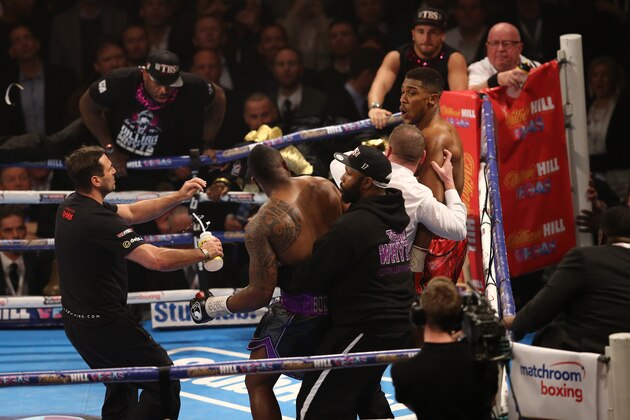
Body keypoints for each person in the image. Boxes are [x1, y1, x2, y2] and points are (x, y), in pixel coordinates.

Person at [55, 145, 224, 419]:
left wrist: (178, 196)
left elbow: (132, 212)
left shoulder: (71, 205)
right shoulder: (97, 220)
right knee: (163, 377)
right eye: (108, 168)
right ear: (95, 180)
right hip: (105, 324)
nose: (114, 170)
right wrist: (204, 253)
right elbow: (154, 259)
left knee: (120, 382)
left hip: (77, 323)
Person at [189, 144, 343, 420]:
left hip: (302, 311)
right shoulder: (326, 186)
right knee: (334, 384)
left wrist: (212, 306)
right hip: (342, 303)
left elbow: (260, 294)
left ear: (254, 181)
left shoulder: (261, 225)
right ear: (285, 165)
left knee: (257, 381)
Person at [288, 145, 414, 419]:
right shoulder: (393, 215)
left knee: (313, 405)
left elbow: (309, 278)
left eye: (348, 173)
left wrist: (278, 266)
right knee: (364, 393)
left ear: (366, 182)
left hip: (367, 327)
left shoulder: (353, 226)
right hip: (398, 324)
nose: (342, 178)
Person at [504, 206, 630, 354]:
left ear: (601, 235)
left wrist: (513, 322)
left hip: (582, 359)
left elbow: (544, 306)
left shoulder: (585, 258)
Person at [398, 67, 468, 293]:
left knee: (426, 314)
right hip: (433, 235)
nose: (403, 99)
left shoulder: (434, 136)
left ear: (432, 100)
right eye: (402, 92)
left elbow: (432, 205)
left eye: (411, 93)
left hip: (434, 241)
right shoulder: (423, 130)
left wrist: (415, 261)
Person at [391, 277, 498, 419]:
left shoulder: (403, 372)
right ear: (459, 316)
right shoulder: (484, 361)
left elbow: (415, 405)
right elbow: (491, 401)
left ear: (419, 316)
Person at [367, 7, 468, 120]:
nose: (426, 38)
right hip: (401, 122)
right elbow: (380, 84)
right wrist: (375, 107)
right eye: (421, 31)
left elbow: (459, 98)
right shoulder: (396, 57)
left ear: (442, 35)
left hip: (441, 121)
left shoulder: (454, 59)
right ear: (413, 34)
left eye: (432, 32)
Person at [586, 56, 630, 201]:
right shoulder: (586, 106)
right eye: (595, 75)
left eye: (604, 75)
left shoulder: (622, 107)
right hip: (593, 177)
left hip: (618, 178)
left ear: (613, 79)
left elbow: (621, 147)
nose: (599, 80)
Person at [467, 22, 540, 91]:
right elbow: (470, 94)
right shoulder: (477, 68)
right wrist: (496, 80)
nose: (500, 49)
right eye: (495, 44)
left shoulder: (536, 67)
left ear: (519, 48)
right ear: (487, 47)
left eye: (506, 44)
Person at [0, 205, 54, 296]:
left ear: (25, 230)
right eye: (8, 230)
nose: (15, 235)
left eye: (20, 229)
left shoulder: (39, 258)